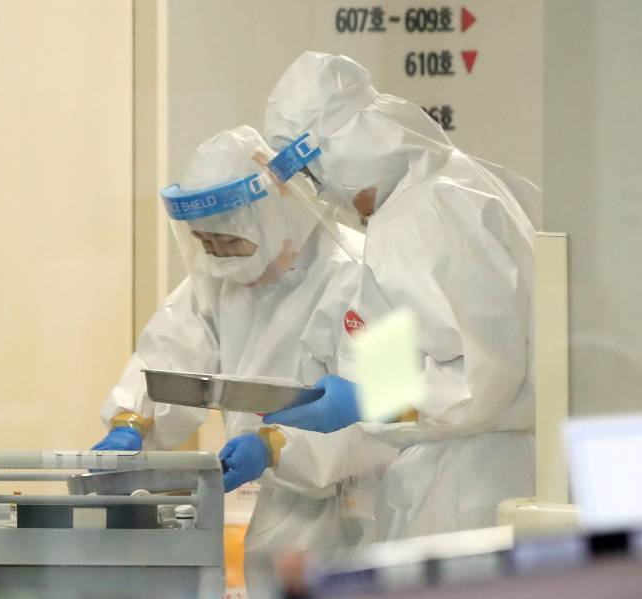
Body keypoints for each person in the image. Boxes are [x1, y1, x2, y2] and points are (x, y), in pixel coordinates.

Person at [93, 125, 395, 590]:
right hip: (282, 505)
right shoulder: (221, 279)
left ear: (277, 217)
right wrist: (131, 422)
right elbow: (169, 352)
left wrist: (277, 447)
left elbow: (388, 418)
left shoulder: (364, 274)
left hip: (367, 504)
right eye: (207, 244)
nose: (221, 258)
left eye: (232, 243)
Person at [261, 51, 537, 540]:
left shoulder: (418, 214)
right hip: (482, 470)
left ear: (343, 149)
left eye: (315, 174)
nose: (324, 194)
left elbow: (481, 379)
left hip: (464, 487)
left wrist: (370, 398)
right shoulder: (462, 182)